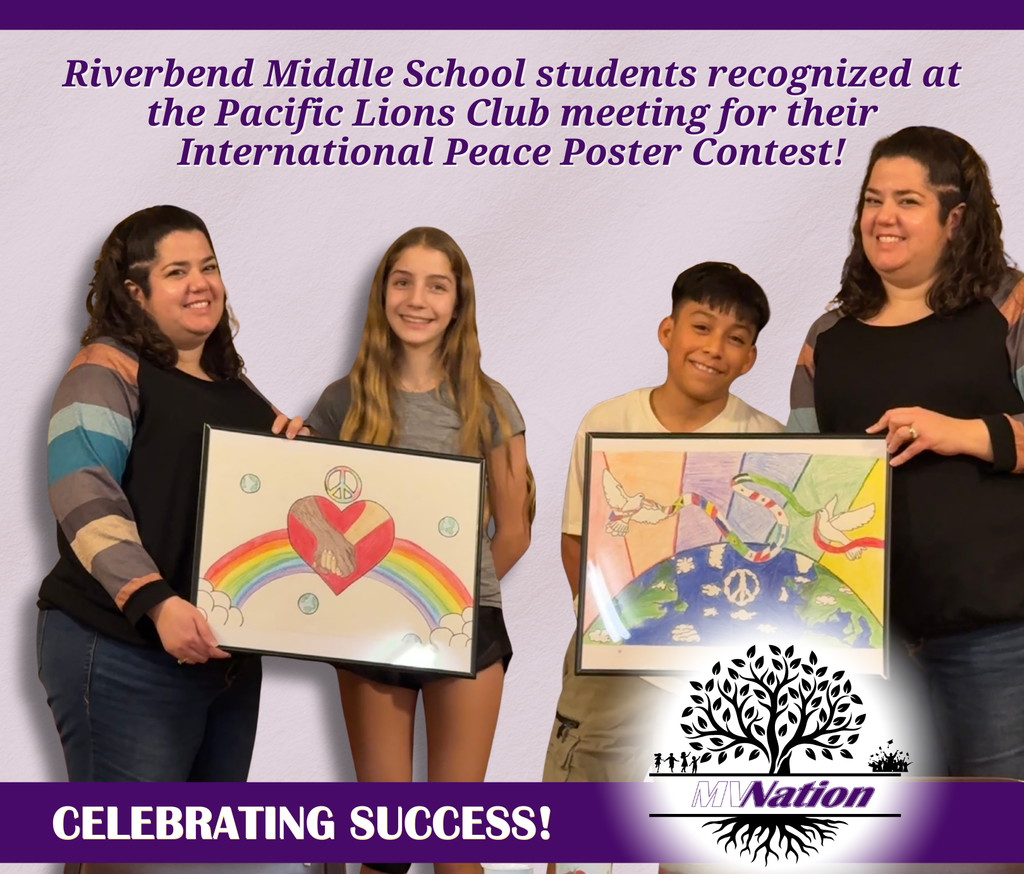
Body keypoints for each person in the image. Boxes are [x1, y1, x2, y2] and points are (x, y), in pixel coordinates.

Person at [38, 205, 305, 782]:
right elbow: (83, 493)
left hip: (222, 663)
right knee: (126, 854)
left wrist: (302, 458)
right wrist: (156, 602)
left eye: (208, 266)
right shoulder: (104, 370)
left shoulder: (235, 388)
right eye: (177, 271)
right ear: (135, 291)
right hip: (122, 650)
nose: (200, 284)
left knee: (202, 856)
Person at [788, 126, 1024, 777]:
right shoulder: (827, 338)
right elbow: (801, 482)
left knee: (998, 838)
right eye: (872, 199)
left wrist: (961, 431)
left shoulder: (1010, 305)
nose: (883, 217)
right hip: (868, 651)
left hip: (1001, 639)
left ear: (958, 217)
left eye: (907, 200)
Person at [305, 227, 532, 874]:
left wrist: (442, 600)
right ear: (382, 295)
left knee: (453, 849)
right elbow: (314, 523)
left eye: (437, 285)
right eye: (403, 281)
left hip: (466, 628)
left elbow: (513, 532)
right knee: (384, 845)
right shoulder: (340, 403)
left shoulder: (490, 404)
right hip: (368, 632)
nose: (417, 299)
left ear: (459, 303)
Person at [542, 261, 784, 785]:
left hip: (724, 680)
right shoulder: (607, 421)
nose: (714, 348)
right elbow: (575, 539)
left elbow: (771, 570)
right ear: (667, 332)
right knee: (580, 823)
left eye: (735, 338)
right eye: (700, 327)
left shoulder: (771, 440)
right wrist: (616, 629)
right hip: (612, 660)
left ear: (750, 359)